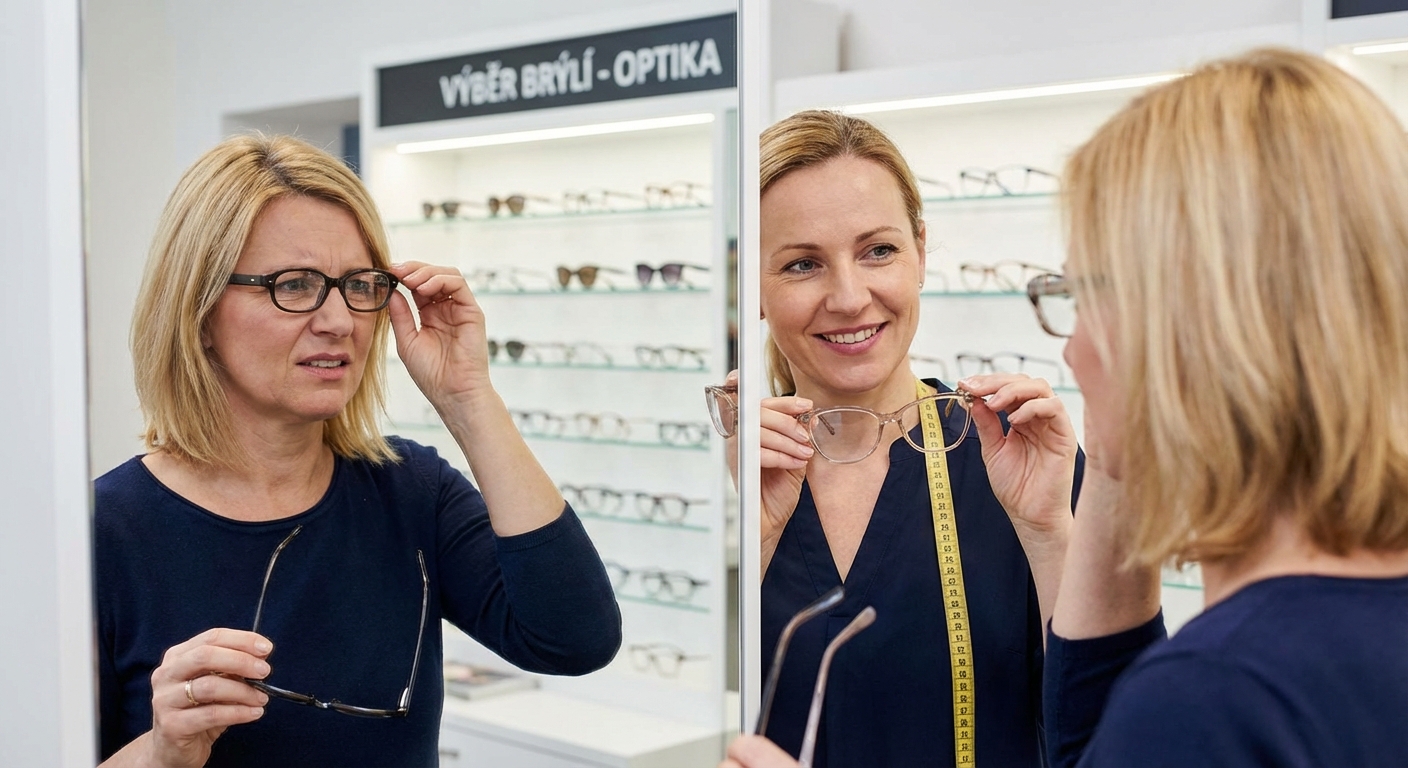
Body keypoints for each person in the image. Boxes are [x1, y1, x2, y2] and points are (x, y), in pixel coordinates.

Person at [724, 47, 1408, 768]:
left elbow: (1115, 728)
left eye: (1095, 296)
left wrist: (1061, 524)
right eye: (802, 263)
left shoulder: (1214, 689)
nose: (1073, 351)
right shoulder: (1262, 664)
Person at [95, 134, 622, 768]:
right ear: (200, 310)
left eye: (359, 285)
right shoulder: (103, 532)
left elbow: (575, 639)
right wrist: (160, 752)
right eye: (294, 285)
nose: (339, 321)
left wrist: (468, 399)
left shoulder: (410, 489)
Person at [737, 110, 1084, 767]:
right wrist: (748, 540)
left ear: (920, 252)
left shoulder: (1020, 461)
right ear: (751, 288)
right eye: (803, 263)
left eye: (878, 251)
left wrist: (1051, 540)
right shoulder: (737, 478)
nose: (849, 297)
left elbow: (1108, 721)